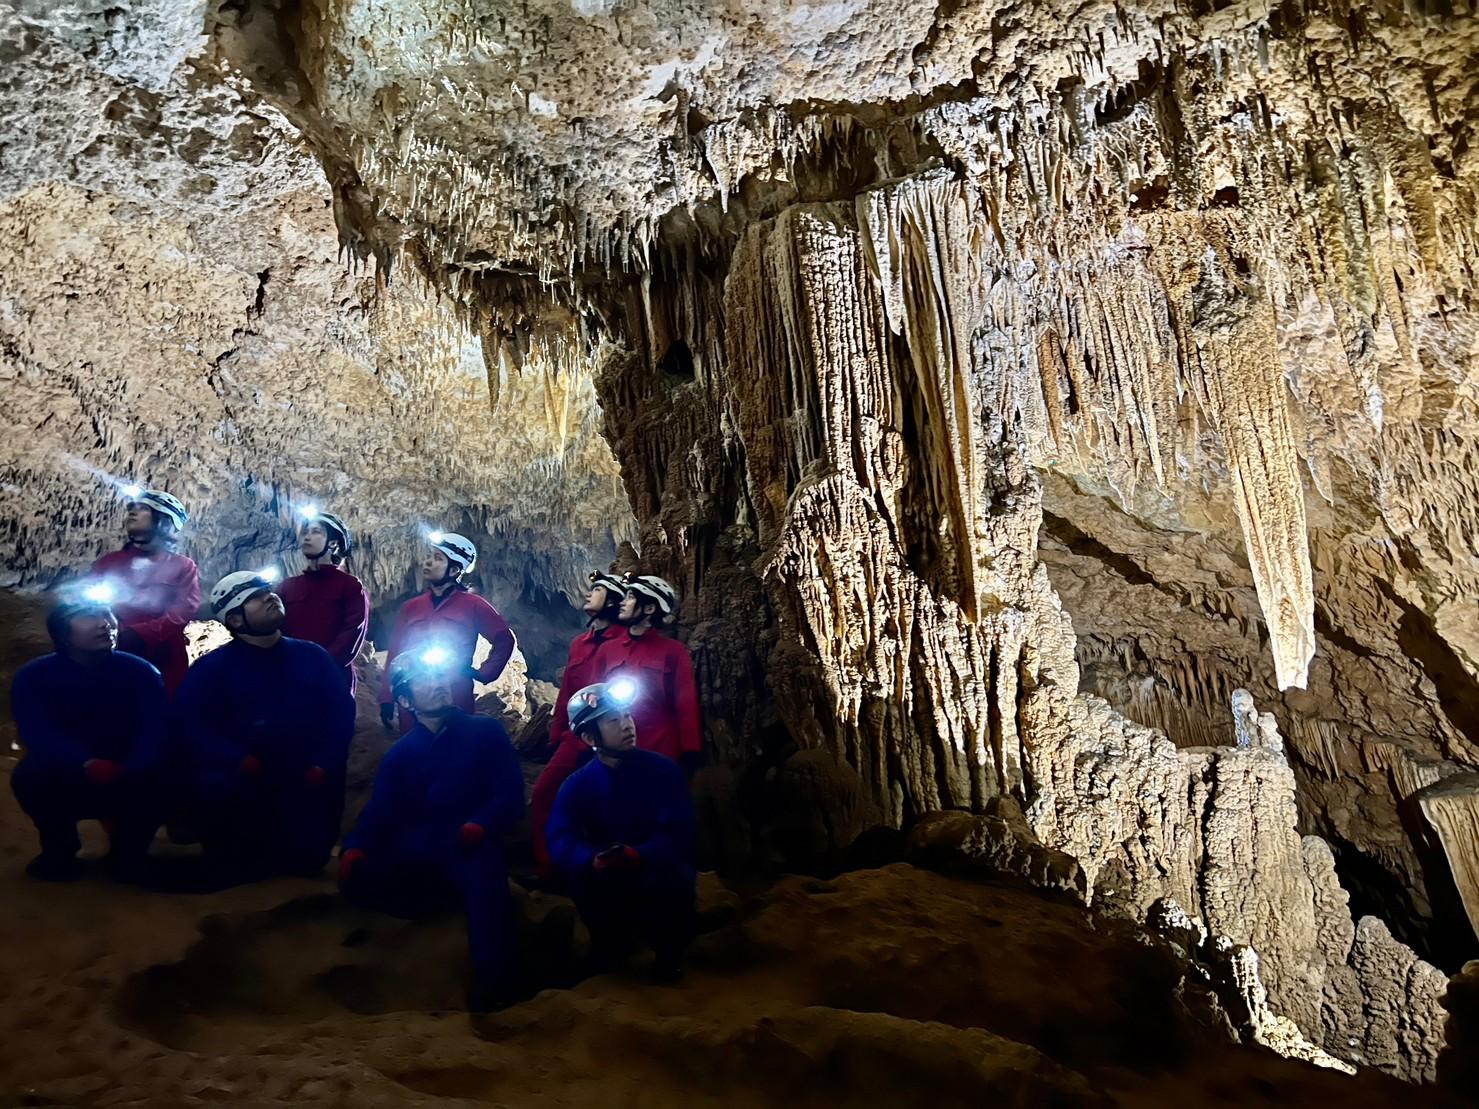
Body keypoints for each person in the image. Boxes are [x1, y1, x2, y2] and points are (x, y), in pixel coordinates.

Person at [340, 648, 525, 1010]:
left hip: (469, 843)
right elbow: (382, 809)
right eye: (426, 681)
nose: (439, 685)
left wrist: (482, 823)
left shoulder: (484, 732)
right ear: (406, 699)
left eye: (441, 677)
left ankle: (496, 984)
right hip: (421, 845)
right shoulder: (402, 753)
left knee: (487, 896)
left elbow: (508, 792)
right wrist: (357, 846)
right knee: (361, 875)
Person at [174, 570, 355, 879]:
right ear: (236, 620)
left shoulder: (313, 656)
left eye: (268, 592)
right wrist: (238, 760)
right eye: (255, 598)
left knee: (305, 861)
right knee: (240, 861)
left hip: (305, 776)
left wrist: (325, 763)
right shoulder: (211, 670)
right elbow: (194, 725)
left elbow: (340, 712)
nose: (270, 597)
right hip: (245, 779)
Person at [9, 584, 168, 881]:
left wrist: (133, 767)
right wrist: (85, 762)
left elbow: (154, 729)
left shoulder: (142, 673)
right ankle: (60, 849)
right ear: (62, 633)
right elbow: (37, 733)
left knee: (166, 773)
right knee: (29, 777)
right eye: (88, 616)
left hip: (128, 768)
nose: (104, 623)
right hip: (68, 771)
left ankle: (128, 852)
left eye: (107, 614)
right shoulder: (34, 677)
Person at [547, 681, 696, 981]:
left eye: (627, 716)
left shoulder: (663, 771)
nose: (627, 725)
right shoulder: (578, 785)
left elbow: (680, 830)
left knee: (674, 879)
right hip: (606, 871)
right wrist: (590, 859)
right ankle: (610, 950)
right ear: (590, 736)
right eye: (613, 720)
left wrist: (640, 855)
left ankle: (669, 957)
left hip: (654, 868)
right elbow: (560, 838)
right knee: (583, 880)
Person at [528, 570, 626, 874]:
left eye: (597, 590)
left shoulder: (624, 643)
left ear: (612, 601)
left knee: (607, 807)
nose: (588, 593)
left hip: (610, 741)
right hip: (576, 737)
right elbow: (567, 692)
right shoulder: (579, 644)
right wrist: (558, 732)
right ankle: (548, 863)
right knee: (544, 793)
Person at [377, 531, 516, 734]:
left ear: (454, 570)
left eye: (437, 558)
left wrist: (484, 673)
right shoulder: (411, 608)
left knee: (457, 749)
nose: (428, 563)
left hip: (455, 691)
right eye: (429, 557)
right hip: (414, 692)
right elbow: (395, 652)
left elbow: (504, 639)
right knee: (417, 751)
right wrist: (387, 696)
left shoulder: (474, 606)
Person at [91, 487, 200, 695]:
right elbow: (89, 606)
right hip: (112, 652)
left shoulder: (183, 566)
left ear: (165, 522)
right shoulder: (107, 563)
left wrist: (138, 634)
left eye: (143, 509)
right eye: (132, 508)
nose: (132, 512)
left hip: (164, 658)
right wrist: (110, 633)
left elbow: (184, 611)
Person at [595, 574, 702, 774]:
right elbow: (593, 698)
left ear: (650, 608)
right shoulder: (607, 650)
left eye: (631, 597)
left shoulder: (673, 651)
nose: (623, 602)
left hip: (661, 748)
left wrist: (690, 749)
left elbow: (686, 705)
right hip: (617, 750)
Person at [278, 508, 371, 694]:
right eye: (305, 532)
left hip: (332, 679)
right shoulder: (286, 588)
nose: (307, 537)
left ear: (334, 543)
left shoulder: (349, 586)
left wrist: (322, 665)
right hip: (292, 679)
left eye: (316, 532)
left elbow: (352, 631)